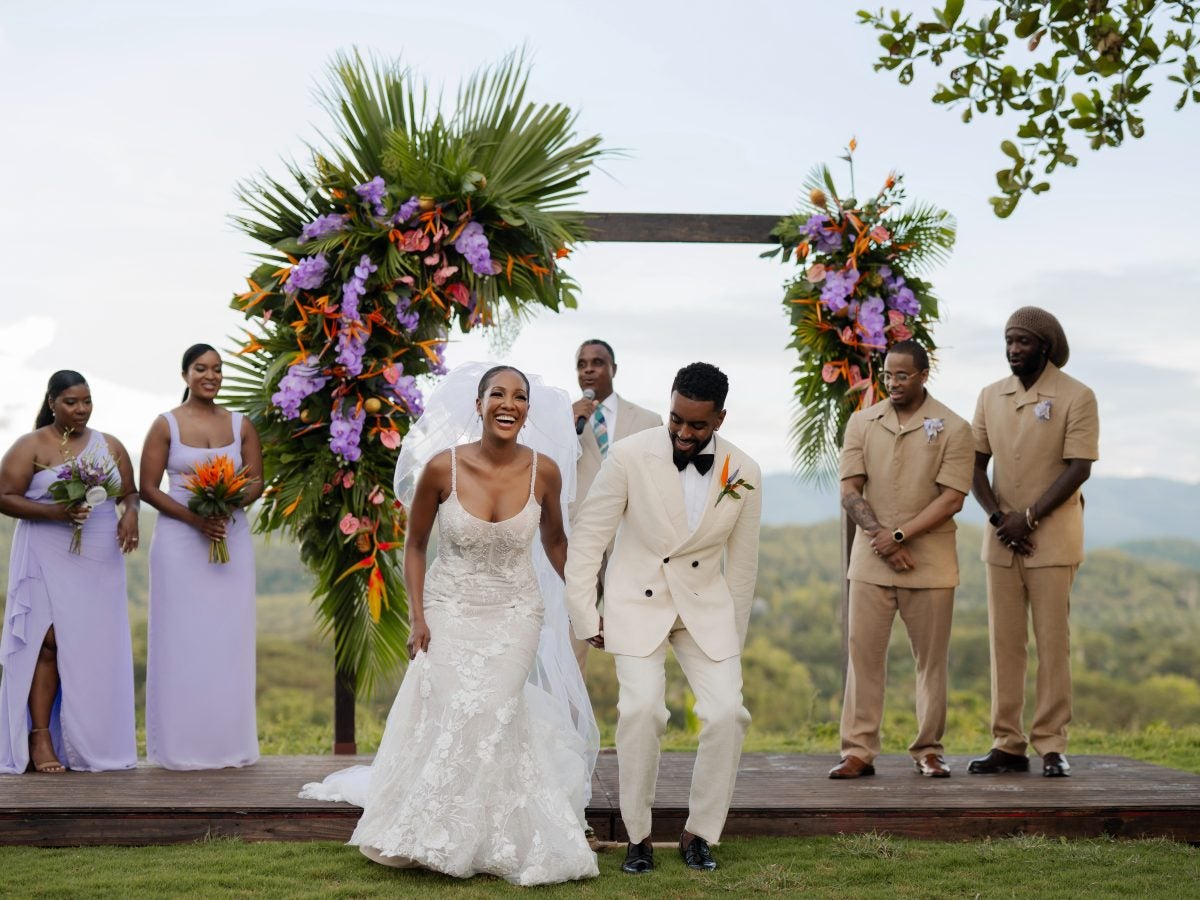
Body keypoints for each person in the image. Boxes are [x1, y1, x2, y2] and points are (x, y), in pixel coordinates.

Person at [302, 363, 598, 887]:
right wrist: (418, 617)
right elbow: (415, 546)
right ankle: (438, 829)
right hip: (448, 605)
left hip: (514, 609)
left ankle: (494, 833)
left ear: (528, 411)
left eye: (520, 397)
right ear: (479, 404)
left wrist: (586, 599)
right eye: (498, 395)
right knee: (456, 711)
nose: (509, 404)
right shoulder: (442, 468)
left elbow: (555, 542)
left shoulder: (545, 471)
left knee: (494, 707)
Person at [566, 362, 762, 874]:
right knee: (642, 712)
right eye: (676, 418)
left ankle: (700, 832)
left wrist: (732, 640)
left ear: (719, 419)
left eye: (696, 424)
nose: (682, 431)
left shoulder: (744, 470)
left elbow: (742, 568)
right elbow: (590, 537)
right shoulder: (629, 456)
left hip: (704, 608)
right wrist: (586, 613)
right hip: (637, 600)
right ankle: (639, 837)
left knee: (726, 715)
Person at [830, 341, 973, 780]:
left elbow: (952, 499)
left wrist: (899, 536)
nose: (893, 383)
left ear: (924, 374)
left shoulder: (955, 427)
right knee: (864, 658)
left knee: (931, 662)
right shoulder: (861, 422)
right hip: (871, 562)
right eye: (888, 375)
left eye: (902, 375)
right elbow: (850, 490)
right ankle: (858, 750)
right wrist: (880, 538)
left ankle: (928, 749)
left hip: (929, 564)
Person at [968, 308, 1099, 779]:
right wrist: (1001, 518)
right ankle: (1008, 742)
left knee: (1052, 643)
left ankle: (1051, 744)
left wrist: (1030, 517)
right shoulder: (989, 396)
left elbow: (1079, 466)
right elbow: (974, 465)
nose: (1013, 349)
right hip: (1002, 539)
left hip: (1053, 540)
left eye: (1023, 341)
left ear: (1045, 345)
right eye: (1008, 340)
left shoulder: (1077, 396)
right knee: (1005, 645)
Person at [0, 370, 139, 774]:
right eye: (71, 402)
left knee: (90, 649)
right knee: (47, 642)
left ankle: (89, 740)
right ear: (52, 402)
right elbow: (4, 496)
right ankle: (39, 736)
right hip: (45, 552)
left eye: (87, 401)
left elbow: (129, 492)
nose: (81, 410)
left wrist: (129, 514)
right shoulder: (32, 444)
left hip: (97, 556)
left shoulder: (109, 445)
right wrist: (53, 512)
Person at [140, 344, 263, 770]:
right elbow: (149, 488)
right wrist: (196, 520)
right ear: (185, 374)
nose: (210, 376)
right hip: (179, 541)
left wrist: (227, 505)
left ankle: (229, 744)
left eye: (217, 369)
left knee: (228, 639)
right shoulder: (165, 425)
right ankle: (178, 747)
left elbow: (256, 479)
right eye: (201, 369)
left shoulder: (241, 424)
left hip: (231, 536)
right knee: (182, 640)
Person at [569, 339, 662, 673]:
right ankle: (570, 722)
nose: (589, 369)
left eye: (597, 362)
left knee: (634, 631)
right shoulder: (565, 422)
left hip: (631, 539)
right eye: (582, 364)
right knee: (571, 633)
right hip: (580, 538)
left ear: (613, 369)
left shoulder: (648, 421)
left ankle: (638, 715)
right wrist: (566, 427)